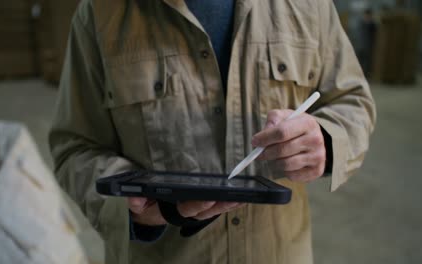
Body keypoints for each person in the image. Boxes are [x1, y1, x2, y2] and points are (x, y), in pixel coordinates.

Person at [49, 0, 376, 263]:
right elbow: (75, 145)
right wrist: (137, 210)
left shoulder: (310, 5)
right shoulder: (101, 12)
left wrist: (325, 141)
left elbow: (352, 101)